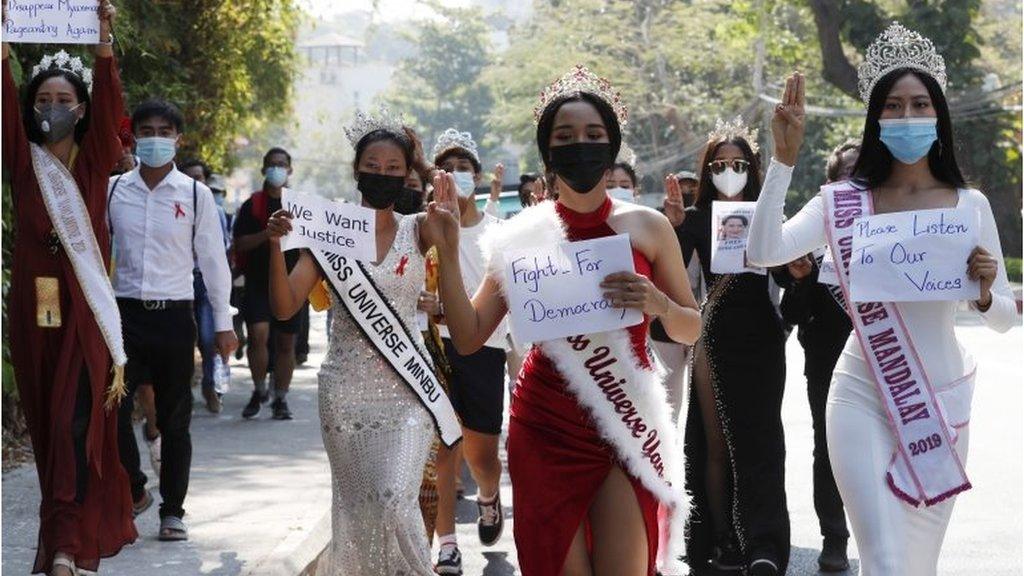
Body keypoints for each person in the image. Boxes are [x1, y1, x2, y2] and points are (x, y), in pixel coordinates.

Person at [748, 24, 1016, 575]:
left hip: (939, 402)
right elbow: (763, 249)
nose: (908, 116)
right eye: (893, 107)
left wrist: (987, 293)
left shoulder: (969, 205)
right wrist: (783, 159)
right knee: (885, 560)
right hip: (861, 393)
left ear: (939, 115)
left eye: (920, 104)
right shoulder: (843, 202)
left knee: (916, 565)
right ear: (875, 121)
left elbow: (1006, 321)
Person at [428, 66, 701, 576]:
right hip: (546, 423)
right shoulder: (519, 237)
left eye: (594, 135)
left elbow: (691, 327)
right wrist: (445, 250)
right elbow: (468, 337)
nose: (582, 145)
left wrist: (658, 304)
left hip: (624, 419)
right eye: (566, 137)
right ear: (548, 151)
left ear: (613, 144)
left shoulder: (648, 226)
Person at [264, 108, 462, 574]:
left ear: (409, 175)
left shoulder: (420, 229)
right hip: (344, 392)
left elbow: (453, 216)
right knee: (360, 513)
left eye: (395, 169)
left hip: (407, 390)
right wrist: (276, 246)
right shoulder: (327, 230)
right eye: (373, 167)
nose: (383, 176)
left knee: (396, 499)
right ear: (356, 171)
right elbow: (285, 306)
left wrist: (425, 164)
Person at [2, 3, 137, 573]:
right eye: (43, 101)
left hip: (85, 313)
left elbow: (111, 110)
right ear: (31, 109)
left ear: (81, 110)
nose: (53, 109)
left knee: (74, 424)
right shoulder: (20, 159)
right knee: (49, 432)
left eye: (65, 101)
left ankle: (64, 548)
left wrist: (104, 43)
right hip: (34, 313)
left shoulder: (95, 160)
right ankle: (64, 539)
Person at [109, 99, 236, 541]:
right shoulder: (112, 191)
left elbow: (214, 262)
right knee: (112, 412)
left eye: (165, 131)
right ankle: (135, 488)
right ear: (134, 137)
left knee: (174, 418)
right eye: (147, 130)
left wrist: (223, 323)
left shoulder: (196, 195)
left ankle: (173, 510)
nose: (156, 139)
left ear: (178, 140)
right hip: (122, 316)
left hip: (174, 318)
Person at [678, 117, 792, 575]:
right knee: (715, 442)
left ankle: (763, 543)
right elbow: (671, 275)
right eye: (720, 164)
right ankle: (721, 536)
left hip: (762, 337)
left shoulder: (771, 216)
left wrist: (796, 268)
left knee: (760, 441)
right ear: (707, 172)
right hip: (713, 333)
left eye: (738, 163)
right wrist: (675, 227)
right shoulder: (690, 219)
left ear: (753, 168)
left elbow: (787, 275)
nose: (729, 172)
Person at [425, 128, 509, 574]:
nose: (456, 176)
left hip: (484, 347)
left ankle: (490, 496)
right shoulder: (422, 227)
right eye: (447, 169)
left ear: (477, 177)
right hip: (434, 346)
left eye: (464, 169)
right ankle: (447, 544)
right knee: (443, 447)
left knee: (480, 453)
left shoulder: (498, 232)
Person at [776, 140, 861, 572]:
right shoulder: (811, 235)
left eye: (864, 173)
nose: (856, 181)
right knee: (828, 450)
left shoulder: (892, 227)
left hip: (884, 361)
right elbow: (791, 313)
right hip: (827, 362)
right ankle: (834, 538)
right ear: (830, 184)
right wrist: (804, 279)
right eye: (847, 173)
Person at [233, 147, 302, 420]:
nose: (277, 169)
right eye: (272, 164)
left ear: (290, 170)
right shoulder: (253, 205)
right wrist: (268, 234)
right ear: (263, 169)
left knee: (287, 343)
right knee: (258, 336)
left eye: (282, 164)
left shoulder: (299, 206)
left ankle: (281, 398)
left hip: (294, 283)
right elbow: (241, 243)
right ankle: (260, 389)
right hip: (258, 284)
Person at [653, 170, 703, 422]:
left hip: (705, 325)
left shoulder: (709, 224)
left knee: (704, 405)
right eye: (681, 188)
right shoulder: (663, 226)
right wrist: (676, 227)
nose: (686, 194)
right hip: (667, 328)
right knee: (669, 403)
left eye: (692, 188)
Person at [181, 159, 230, 413]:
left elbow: (221, 251)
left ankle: (211, 386)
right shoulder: (172, 204)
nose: (194, 181)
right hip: (179, 283)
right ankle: (182, 391)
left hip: (204, 282)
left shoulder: (215, 210)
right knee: (182, 340)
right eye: (189, 177)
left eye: (199, 177)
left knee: (209, 338)